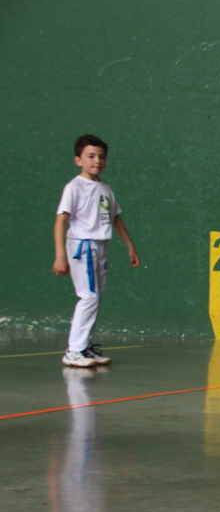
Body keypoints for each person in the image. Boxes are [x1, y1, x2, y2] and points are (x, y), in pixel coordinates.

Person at [52, 135, 140, 367]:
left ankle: (85, 347)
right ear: (78, 160)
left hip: (101, 247)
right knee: (89, 296)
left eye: (101, 157)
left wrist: (130, 246)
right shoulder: (74, 187)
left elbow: (115, 217)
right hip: (82, 247)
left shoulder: (105, 187)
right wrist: (60, 256)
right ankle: (74, 351)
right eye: (90, 156)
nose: (97, 161)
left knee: (95, 298)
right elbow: (61, 221)